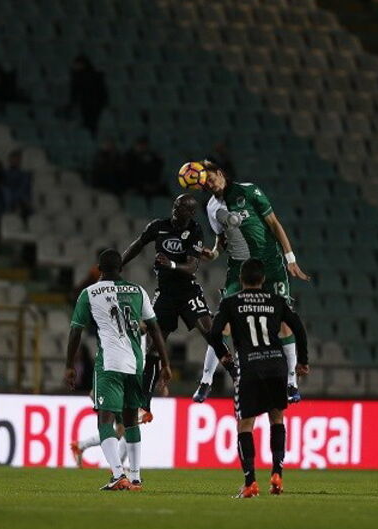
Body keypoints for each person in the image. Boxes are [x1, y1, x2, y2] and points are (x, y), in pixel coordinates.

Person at [193, 160, 310, 404]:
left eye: (211, 179)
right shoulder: (212, 207)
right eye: (205, 184)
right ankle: (206, 380)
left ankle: (291, 382)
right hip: (240, 267)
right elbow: (222, 239)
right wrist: (213, 254)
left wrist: (290, 258)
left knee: (284, 322)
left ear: (220, 173)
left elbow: (274, 223)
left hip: (270, 263)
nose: (210, 185)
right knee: (222, 324)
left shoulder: (249, 191)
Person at [63, 249, 171, 491]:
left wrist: (70, 365)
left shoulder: (89, 293)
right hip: (136, 365)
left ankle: (118, 474)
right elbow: (155, 329)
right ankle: (135, 477)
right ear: (122, 268)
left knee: (105, 421)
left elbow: (76, 330)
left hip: (110, 364)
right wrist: (165, 363)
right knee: (131, 421)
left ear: (99, 269)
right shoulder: (138, 291)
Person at [208, 259, 309, 498]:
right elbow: (298, 329)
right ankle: (277, 474)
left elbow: (213, 333)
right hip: (276, 365)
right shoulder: (277, 301)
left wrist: (223, 355)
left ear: (241, 279)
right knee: (277, 419)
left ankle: (250, 482)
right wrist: (303, 361)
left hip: (250, 367)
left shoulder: (231, 302)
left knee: (245, 424)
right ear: (263, 279)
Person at [121, 193, 233, 395]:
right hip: (165, 293)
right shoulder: (158, 226)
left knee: (212, 335)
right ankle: (144, 402)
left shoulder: (195, 230)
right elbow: (138, 244)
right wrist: (119, 264)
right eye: (175, 205)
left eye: (181, 207)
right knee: (154, 347)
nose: (175, 209)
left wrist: (171, 264)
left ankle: (237, 375)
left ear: (191, 212)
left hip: (187, 290)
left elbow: (192, 266)